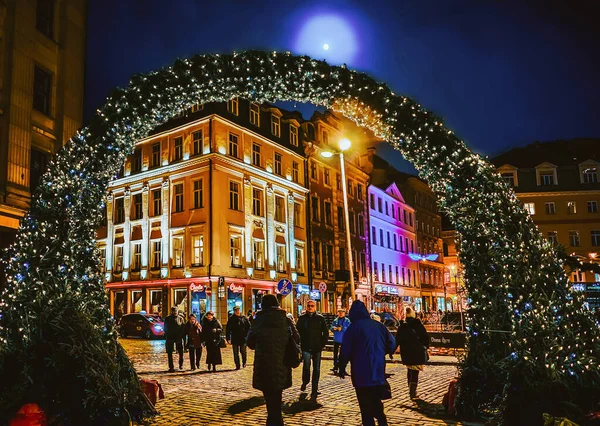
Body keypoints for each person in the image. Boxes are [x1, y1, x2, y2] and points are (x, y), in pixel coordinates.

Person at [339, 300, 396, 426]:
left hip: (360, 373)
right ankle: (382, 420)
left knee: (365, 405)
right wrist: (381, 353)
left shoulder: (352, 329)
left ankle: (371, 422)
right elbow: (392, 343)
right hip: (377, 369)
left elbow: (345, 350)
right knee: (375, 399)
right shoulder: (379, 326)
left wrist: (341, 367)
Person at [247, 294, 299, 426]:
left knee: (270, 400)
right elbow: (296, 338)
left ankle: (273, 421)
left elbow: (250, 342)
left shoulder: (258, 320)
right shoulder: (285, 319)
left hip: (264, 365)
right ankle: (276, 421)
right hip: (282, 364)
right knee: (277, 397)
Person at [296, 299, 328, 398]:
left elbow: (325, 333)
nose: (310, 307)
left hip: (317, 348)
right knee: (306, 366)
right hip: (306, 347)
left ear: (315, 307)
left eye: (312, 306)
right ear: (306, 307)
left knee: (317, 369)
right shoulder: (302, 319)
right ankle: (305, 382)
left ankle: (315, 388)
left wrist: (322, 344)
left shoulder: (320, 318)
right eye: (309, 306)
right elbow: (297, 332)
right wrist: (299, 344)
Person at [395, 306, 429, 399]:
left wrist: (391, 350)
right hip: (417, 351)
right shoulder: (418, 325)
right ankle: (412, 391)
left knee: (410, 370)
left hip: (406, 352)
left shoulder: (403, 326)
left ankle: (411, 390)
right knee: (415, 372)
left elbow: (397, 340)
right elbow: (425, 337)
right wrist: (425, 346)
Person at [164, 306, 186, 372]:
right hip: (170, 337)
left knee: (180, 352)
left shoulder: (181, 319)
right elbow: (165, 327)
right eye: (174, 311)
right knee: (170, 353)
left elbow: (183, 328)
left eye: (176, 311)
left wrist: (181, 336)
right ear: (172, 311)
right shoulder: (168, 318)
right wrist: (168, 334)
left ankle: (181, 364)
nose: (175, 312)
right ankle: (171, 366)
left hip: (178, 337)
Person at [330, 308, 350, 375]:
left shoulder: (347, 321)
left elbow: (349, 329)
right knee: (335, 355)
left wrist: (342, 328)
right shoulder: (335, 320)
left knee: (343, 355)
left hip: (344, 340)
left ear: (344, 313)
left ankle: (342, 368)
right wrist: (334, 328)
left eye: (342, 312)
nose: (341, 313)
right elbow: (331, 328)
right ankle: (335, 366)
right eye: (339, 312)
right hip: (336, 339)